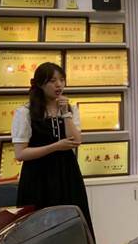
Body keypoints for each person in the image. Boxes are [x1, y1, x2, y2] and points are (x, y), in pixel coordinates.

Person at [11, 62, 93, 230]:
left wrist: (66, 113)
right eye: (53, 81)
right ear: (40, 84)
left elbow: (76, 141)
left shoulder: (70, 108)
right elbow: (20, 154)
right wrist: (55, 147)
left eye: (62, 80)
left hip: (67, 174)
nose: (59, 85)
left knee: (72, 225)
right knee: (39, 227)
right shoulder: (25, 112)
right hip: (38, 177)